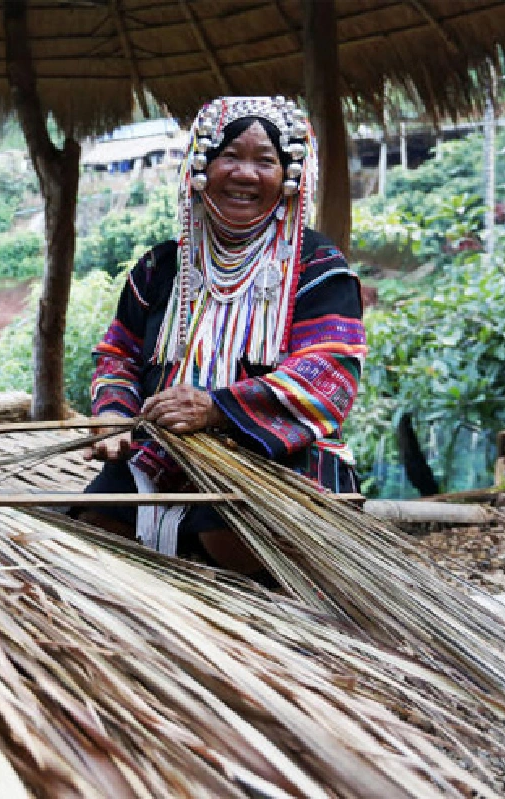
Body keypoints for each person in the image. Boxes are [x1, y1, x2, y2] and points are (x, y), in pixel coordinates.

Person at [78, 96, 367, 573]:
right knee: (91, 536)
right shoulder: (160, 267)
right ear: (201, 165)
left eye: (265, 160)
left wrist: (216, 408)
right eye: (230, 155)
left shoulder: (316, 266)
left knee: (229, 536)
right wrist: (113, 413)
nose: (245, 174)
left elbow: (331, 372)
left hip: (275, 457)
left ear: (289, 175)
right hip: (159, 451)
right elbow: (119, 353)